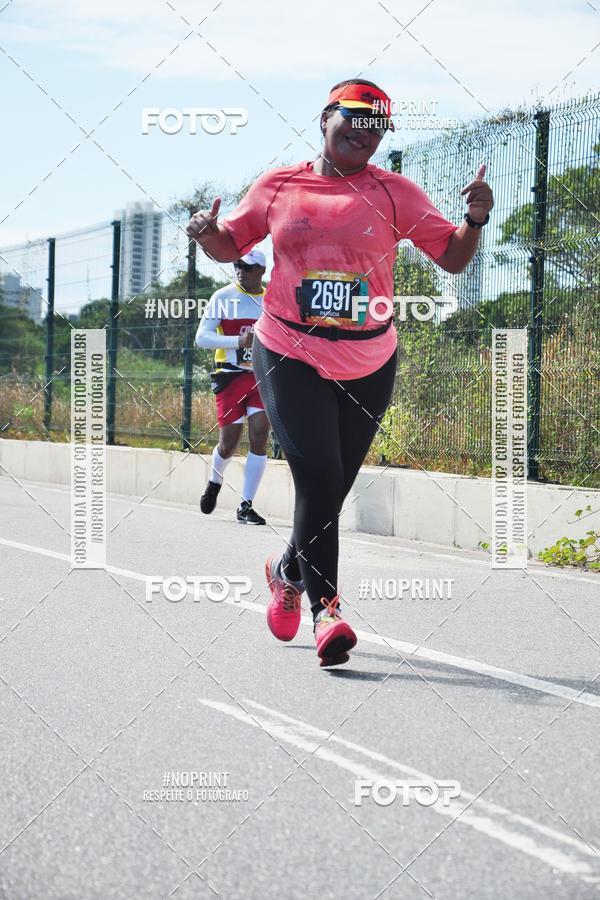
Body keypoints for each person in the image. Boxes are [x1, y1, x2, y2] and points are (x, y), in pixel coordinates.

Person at [187, 78, 494, 667]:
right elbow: (232, 245)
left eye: (377, 123)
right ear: (325, 118)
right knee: (318, 475)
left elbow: (452, 259)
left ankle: (285, 572)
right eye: (354, 116)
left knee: (334, 485)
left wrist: (473, 220)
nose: (364, 130)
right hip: (288, 350)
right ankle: (327, 611)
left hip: (368, 359)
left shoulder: (395, 191)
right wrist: (208, 234)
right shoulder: (280, 186)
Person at [195, 248, 270, 525]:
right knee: (228, 445)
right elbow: (201, 338)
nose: (240, 270)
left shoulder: (273, 299)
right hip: (229, 375)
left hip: (262, 376)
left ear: (261, 270)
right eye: (237, 265)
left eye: (247, 267)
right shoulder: (223, 297)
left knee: (260, 435)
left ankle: (246, 505)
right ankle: (215, 480)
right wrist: (236, 342)